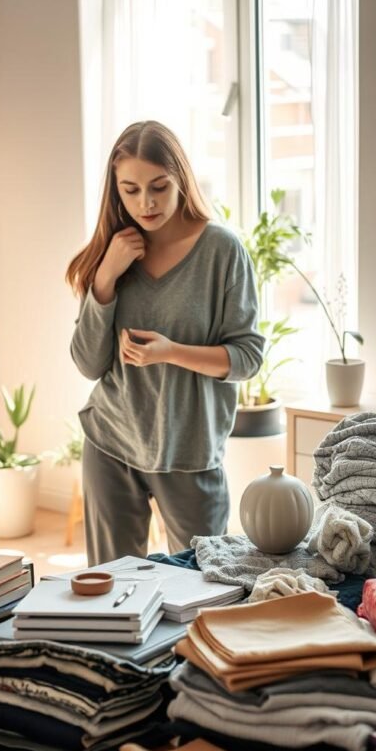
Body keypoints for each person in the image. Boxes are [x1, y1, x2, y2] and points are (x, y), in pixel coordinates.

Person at [66, 120, 264, 566]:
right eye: (130, 190)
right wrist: (105, 278)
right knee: (113, 590)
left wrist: (169, 351)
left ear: (181, 178)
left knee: (203, 589)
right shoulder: (112, 251)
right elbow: (88, 363)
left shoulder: (222, 251)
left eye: (158, 186)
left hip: (190, 453)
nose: (146, 203)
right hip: (111, 442)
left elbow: (248, 357)